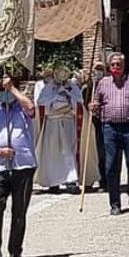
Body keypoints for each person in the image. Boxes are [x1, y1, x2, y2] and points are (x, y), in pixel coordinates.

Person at [0, 75, 37, 257]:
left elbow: (31, 108)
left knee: (19, 210)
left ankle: (16, 251)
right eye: (3, 90)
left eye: (9, 90)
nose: (6, 93)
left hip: (23, 165)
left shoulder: (23, 110)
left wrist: (12, 88)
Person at [90, 52, 129, 216]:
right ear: (109, 67)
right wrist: (93, 107)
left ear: (124, 66)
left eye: (119, 65)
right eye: (113, 64)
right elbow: (96, 105)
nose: (116, 67)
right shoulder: (102, 83)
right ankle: (115, 203)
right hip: (110, 128)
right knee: (111, 167)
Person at [35, 65, 82, 194]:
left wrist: (68, 95)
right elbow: (41, 102)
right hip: (53, 123)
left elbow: (79, 102)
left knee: (69, 151)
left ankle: (71, 181)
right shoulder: (48, 88)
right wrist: (55, 97)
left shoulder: (72, 87)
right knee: (53, 153)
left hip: (67, 122)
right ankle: (53, 182)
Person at [83, 61, 107, 191]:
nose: (97, 72)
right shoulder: (87, 89)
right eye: (95, 69)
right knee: (91, 153)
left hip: (103, 123)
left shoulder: (109, 86)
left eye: (100, 69)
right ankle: (89, 180)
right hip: (90, 124)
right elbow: (82, 104)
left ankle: (104, 181)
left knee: (103, 154)